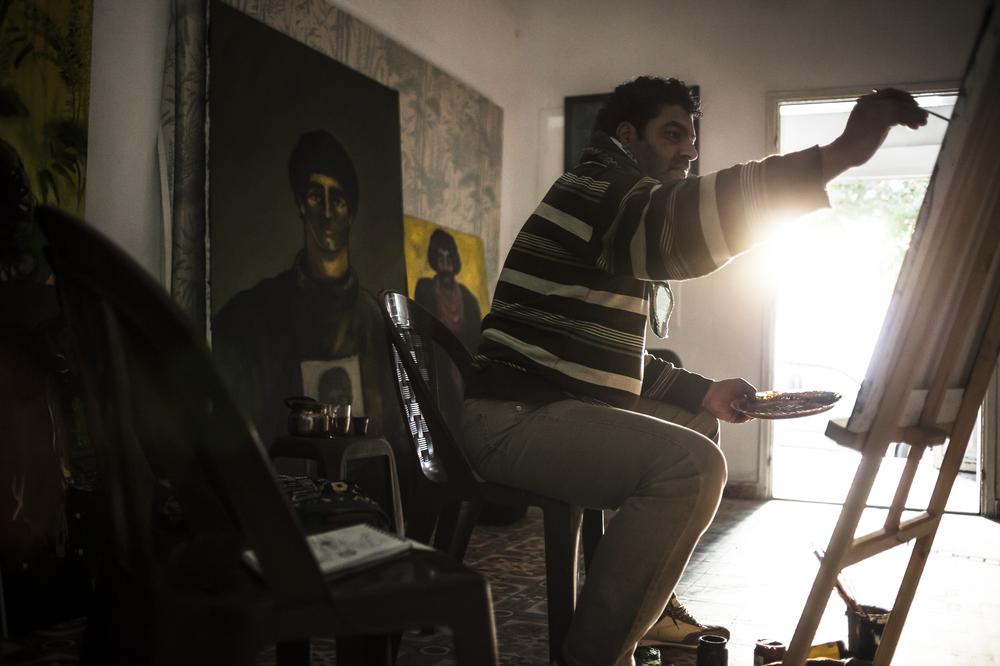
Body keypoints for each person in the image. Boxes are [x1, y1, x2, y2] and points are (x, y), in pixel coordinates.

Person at [462, 77, 927, 666]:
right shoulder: (598, 188)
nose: (689, 149)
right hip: (512, 418)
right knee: (693, 469)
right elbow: (676, 226)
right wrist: (836, 157)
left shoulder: (609, 197)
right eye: (673, 134)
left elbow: (611, 355)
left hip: (549, 405)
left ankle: (650, 607)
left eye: (691, 137)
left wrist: (703, 393)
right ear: (627, 136)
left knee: (696, 421)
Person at [212, 129, 401, 457]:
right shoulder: (253, 316)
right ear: (301, 204)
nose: (327, 213)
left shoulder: (376, 322)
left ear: (351, 213)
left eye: (338, 200)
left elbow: (398, 437)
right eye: (315, 196)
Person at [414, 227, 482, 353]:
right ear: (434, 261)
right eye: (440, 258)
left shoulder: (469, 300)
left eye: (449, 258)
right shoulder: (424, 289)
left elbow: (476, 343)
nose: (445, 266)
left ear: (455, 261)